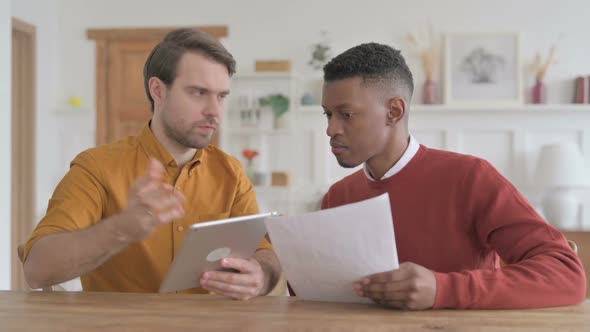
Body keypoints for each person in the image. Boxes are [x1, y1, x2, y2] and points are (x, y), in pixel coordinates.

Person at [320, 42, 586, 309]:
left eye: (346, 114)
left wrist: (441, 289)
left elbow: (566, 275)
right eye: (328, 115)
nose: (331, 129)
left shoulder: (471, 178)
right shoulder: (337, 196)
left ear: (394, 112)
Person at [23, 28, 281, 300]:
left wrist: (261, 276)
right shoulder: (96, 167)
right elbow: (37, 271)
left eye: (221, 96)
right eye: (198, 92)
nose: (214, 111)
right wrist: (122, 228)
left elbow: (265, 251)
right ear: (158, 90)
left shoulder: (232, 172)